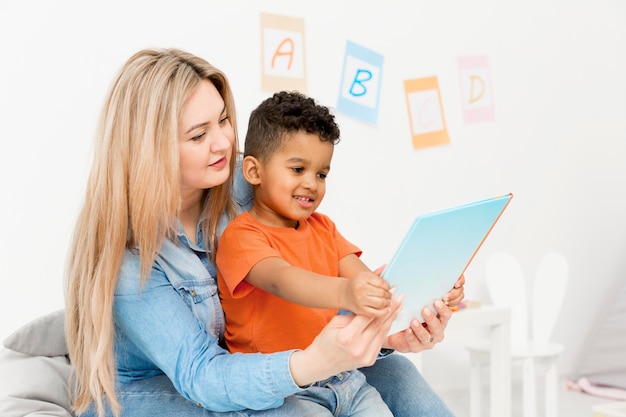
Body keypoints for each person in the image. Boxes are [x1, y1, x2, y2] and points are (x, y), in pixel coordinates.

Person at [64, 48, 464, 417]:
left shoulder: (245, 179)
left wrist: (391, 330)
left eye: (223, 120)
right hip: (155, 389)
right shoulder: (129, 261)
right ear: (151, 151)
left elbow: (312, 283)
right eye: (199, 135)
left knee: (399, 376)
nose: (224, 142)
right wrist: (312, 364)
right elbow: (204, 376)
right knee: (301, 411)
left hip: (259, 360)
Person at [217, 91, 396, 417]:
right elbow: (284, 280)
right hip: (285, 391)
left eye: (321, 174)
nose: (312, 184)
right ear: (254, 172)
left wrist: (424, 289)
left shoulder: (323, 227)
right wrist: (346, 292)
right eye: (298, 169)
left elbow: (362, 277)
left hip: (345, 381)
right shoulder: (241, 237)